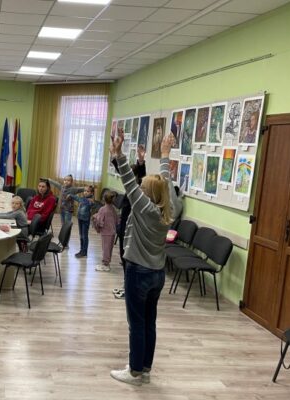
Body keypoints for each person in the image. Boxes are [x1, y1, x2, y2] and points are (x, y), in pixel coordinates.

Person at [109, 129, 176, 386]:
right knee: (149, 322)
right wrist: (165, 154)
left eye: (142, 187)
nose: (138, 188)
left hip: (139, 272)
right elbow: (166, 182)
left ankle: (135, 372)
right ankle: (145, 368)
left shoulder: (144, 207)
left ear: (146, 194)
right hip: (158, 274)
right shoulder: (167, 208)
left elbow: (128, 179)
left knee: (136, 323)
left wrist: (118, 154)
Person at [92, 191, 119, 271]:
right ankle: (107, 263)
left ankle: (105, 265)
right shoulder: (113, 208)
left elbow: (99, 222)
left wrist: (94, 218)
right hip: (112, 232)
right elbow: (117, 220)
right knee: (109, 248)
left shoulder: (103, 209)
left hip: (106, 232)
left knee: (105, 248)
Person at [67, 185, 95, 258]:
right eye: (84, 191)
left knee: (84, 236)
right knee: (81, 235)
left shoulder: (90, 200)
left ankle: (84, 252)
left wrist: (71, 195)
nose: (85, 192)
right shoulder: (84, 198)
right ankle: (82, 250)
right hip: (80, 219)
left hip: (85, 220)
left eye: (87, 191)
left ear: (91, 193)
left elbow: (78, 199)